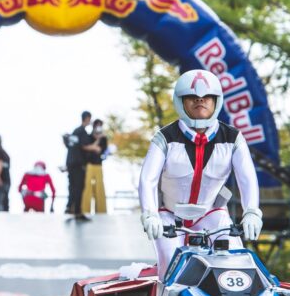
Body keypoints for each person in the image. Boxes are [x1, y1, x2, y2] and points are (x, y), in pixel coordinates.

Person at [138, 69, 263, 278]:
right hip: (169, 217)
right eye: (192, 97)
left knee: (236, 264)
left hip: (212, 215)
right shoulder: (164, 137)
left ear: (216, 101)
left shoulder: (233, 138)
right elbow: (147, 180)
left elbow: (247, 178)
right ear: (180, 102)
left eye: (206, 97)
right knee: (169, 266)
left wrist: (251, 212)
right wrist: (150, 214)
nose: (200, 101)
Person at [65, 111, 92, 221]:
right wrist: (95, 147)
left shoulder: (75, 131)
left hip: (71, 163)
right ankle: (77, 211)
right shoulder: (82, 131)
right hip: (78, 164)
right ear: (87, 118)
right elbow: (84, 146)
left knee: (72, 186)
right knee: (79, 187)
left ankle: (70, 207)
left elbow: (71, 146)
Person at [81, 118, 108, 215]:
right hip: (89, 165)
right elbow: (88, 148)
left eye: (100, 125)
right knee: (87, 188)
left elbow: (100, 150)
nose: (98, 127)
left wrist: (100, 138)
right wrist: (96, 141)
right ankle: (85, 210)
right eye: (96, 125)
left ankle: (101, 211)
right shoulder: (88, 137)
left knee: (100, 188)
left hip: (98, 165)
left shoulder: (104, 138)